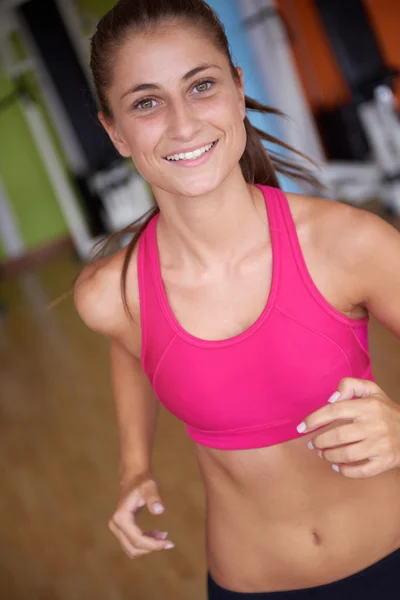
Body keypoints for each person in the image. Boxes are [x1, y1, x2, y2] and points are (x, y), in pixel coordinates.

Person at [74, 0, 400, 598]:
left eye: (201, 86)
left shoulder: (347, 245)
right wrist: (133, 467)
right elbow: (135, 350)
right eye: (146, 102)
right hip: (248, 583)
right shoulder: (111, 296)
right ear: (114, 131)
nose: (182, 124)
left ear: (237, 90)